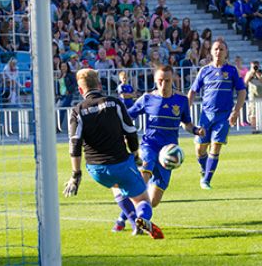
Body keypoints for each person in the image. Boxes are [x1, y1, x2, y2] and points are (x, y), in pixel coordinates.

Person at [63, 68, 164, 239]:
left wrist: (75, 174)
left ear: (81, 90)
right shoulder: (114, 103)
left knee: (116, 187)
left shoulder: (77, 110)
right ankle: (141, 219)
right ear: (100, 85)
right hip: (121, 163)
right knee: (143, 200)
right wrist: (136, 155)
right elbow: (130, 132)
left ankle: (133, 225)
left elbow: (75, 144)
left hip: (96, 169)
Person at [112, 65, 205, 232]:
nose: (163, 84)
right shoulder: (147, 99)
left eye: (167, 81)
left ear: (173, 79)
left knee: (152, 201)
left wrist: (196, 130)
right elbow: (128, 116)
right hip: (149, 146)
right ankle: (129, 221)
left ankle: (138, 220)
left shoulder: (182, 101)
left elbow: (186, 123)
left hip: (169, 154)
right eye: (160, 81)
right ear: (155, 80)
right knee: (141, 183)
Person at [188, 40, 246, 190]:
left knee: (215, 146)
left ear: (226, 52)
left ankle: (206, 180)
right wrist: (185, 110)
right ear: (211, 52)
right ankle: (204, 170)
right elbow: (193, 91)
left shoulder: (232, 71)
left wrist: (236, 111)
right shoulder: (204, 70)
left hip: (224, 116)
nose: (218, 52)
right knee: (200, 149)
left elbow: (242, 91)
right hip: (206, 116)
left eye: (221, 49)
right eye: (216, 49)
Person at [244, 61, 262, 133]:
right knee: (253, 113)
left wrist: (257, 73)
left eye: (256, 66)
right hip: (253, 96)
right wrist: (251, 74)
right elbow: (245, 83)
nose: (255, 67)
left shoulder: (261, 73)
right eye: (254, 66)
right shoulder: (249, 73)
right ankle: (254, 129)